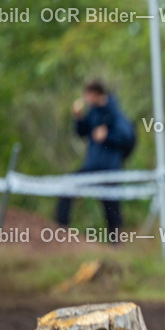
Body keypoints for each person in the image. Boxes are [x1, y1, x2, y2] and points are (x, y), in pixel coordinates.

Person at [55, 79, 135, 237]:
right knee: (67, 187)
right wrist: (78, 118)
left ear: (96, 94)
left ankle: (116, 241)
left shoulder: (116, 114)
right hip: (92, 167)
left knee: (111, 207)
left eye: (87, 94)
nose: (85, 98)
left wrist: (108, 136)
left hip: (110, 169)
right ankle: (61, 231)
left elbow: (127, 139)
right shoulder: (93, 112)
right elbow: (83, 132)